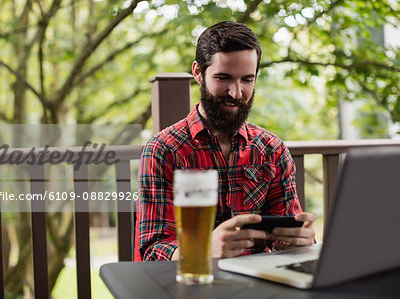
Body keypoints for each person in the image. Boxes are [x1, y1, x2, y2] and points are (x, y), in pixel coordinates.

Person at [134, 21, 315, 261]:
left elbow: (292, 232)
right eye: (223, 78)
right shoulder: (163, 150)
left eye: (247, 80)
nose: (236, 93)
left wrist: (299, 241)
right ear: (198, 73)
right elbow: (152, 249)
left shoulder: (273, 150)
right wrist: (203, 250)